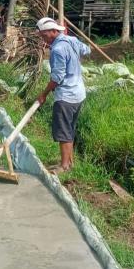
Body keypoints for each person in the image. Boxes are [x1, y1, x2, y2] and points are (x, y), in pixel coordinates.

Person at [36, 17, 91, 174]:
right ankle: (70, 162)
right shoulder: (71, 40)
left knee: (63, 131)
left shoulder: (58, 50)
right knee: (70, 128)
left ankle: (64, 165)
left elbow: (57, 78)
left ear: (54, 31)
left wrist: (44, 94)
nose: (43, 39)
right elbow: (87, 50)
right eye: (41, 36)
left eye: (45, 35)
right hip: (79, 93)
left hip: (66, 96)